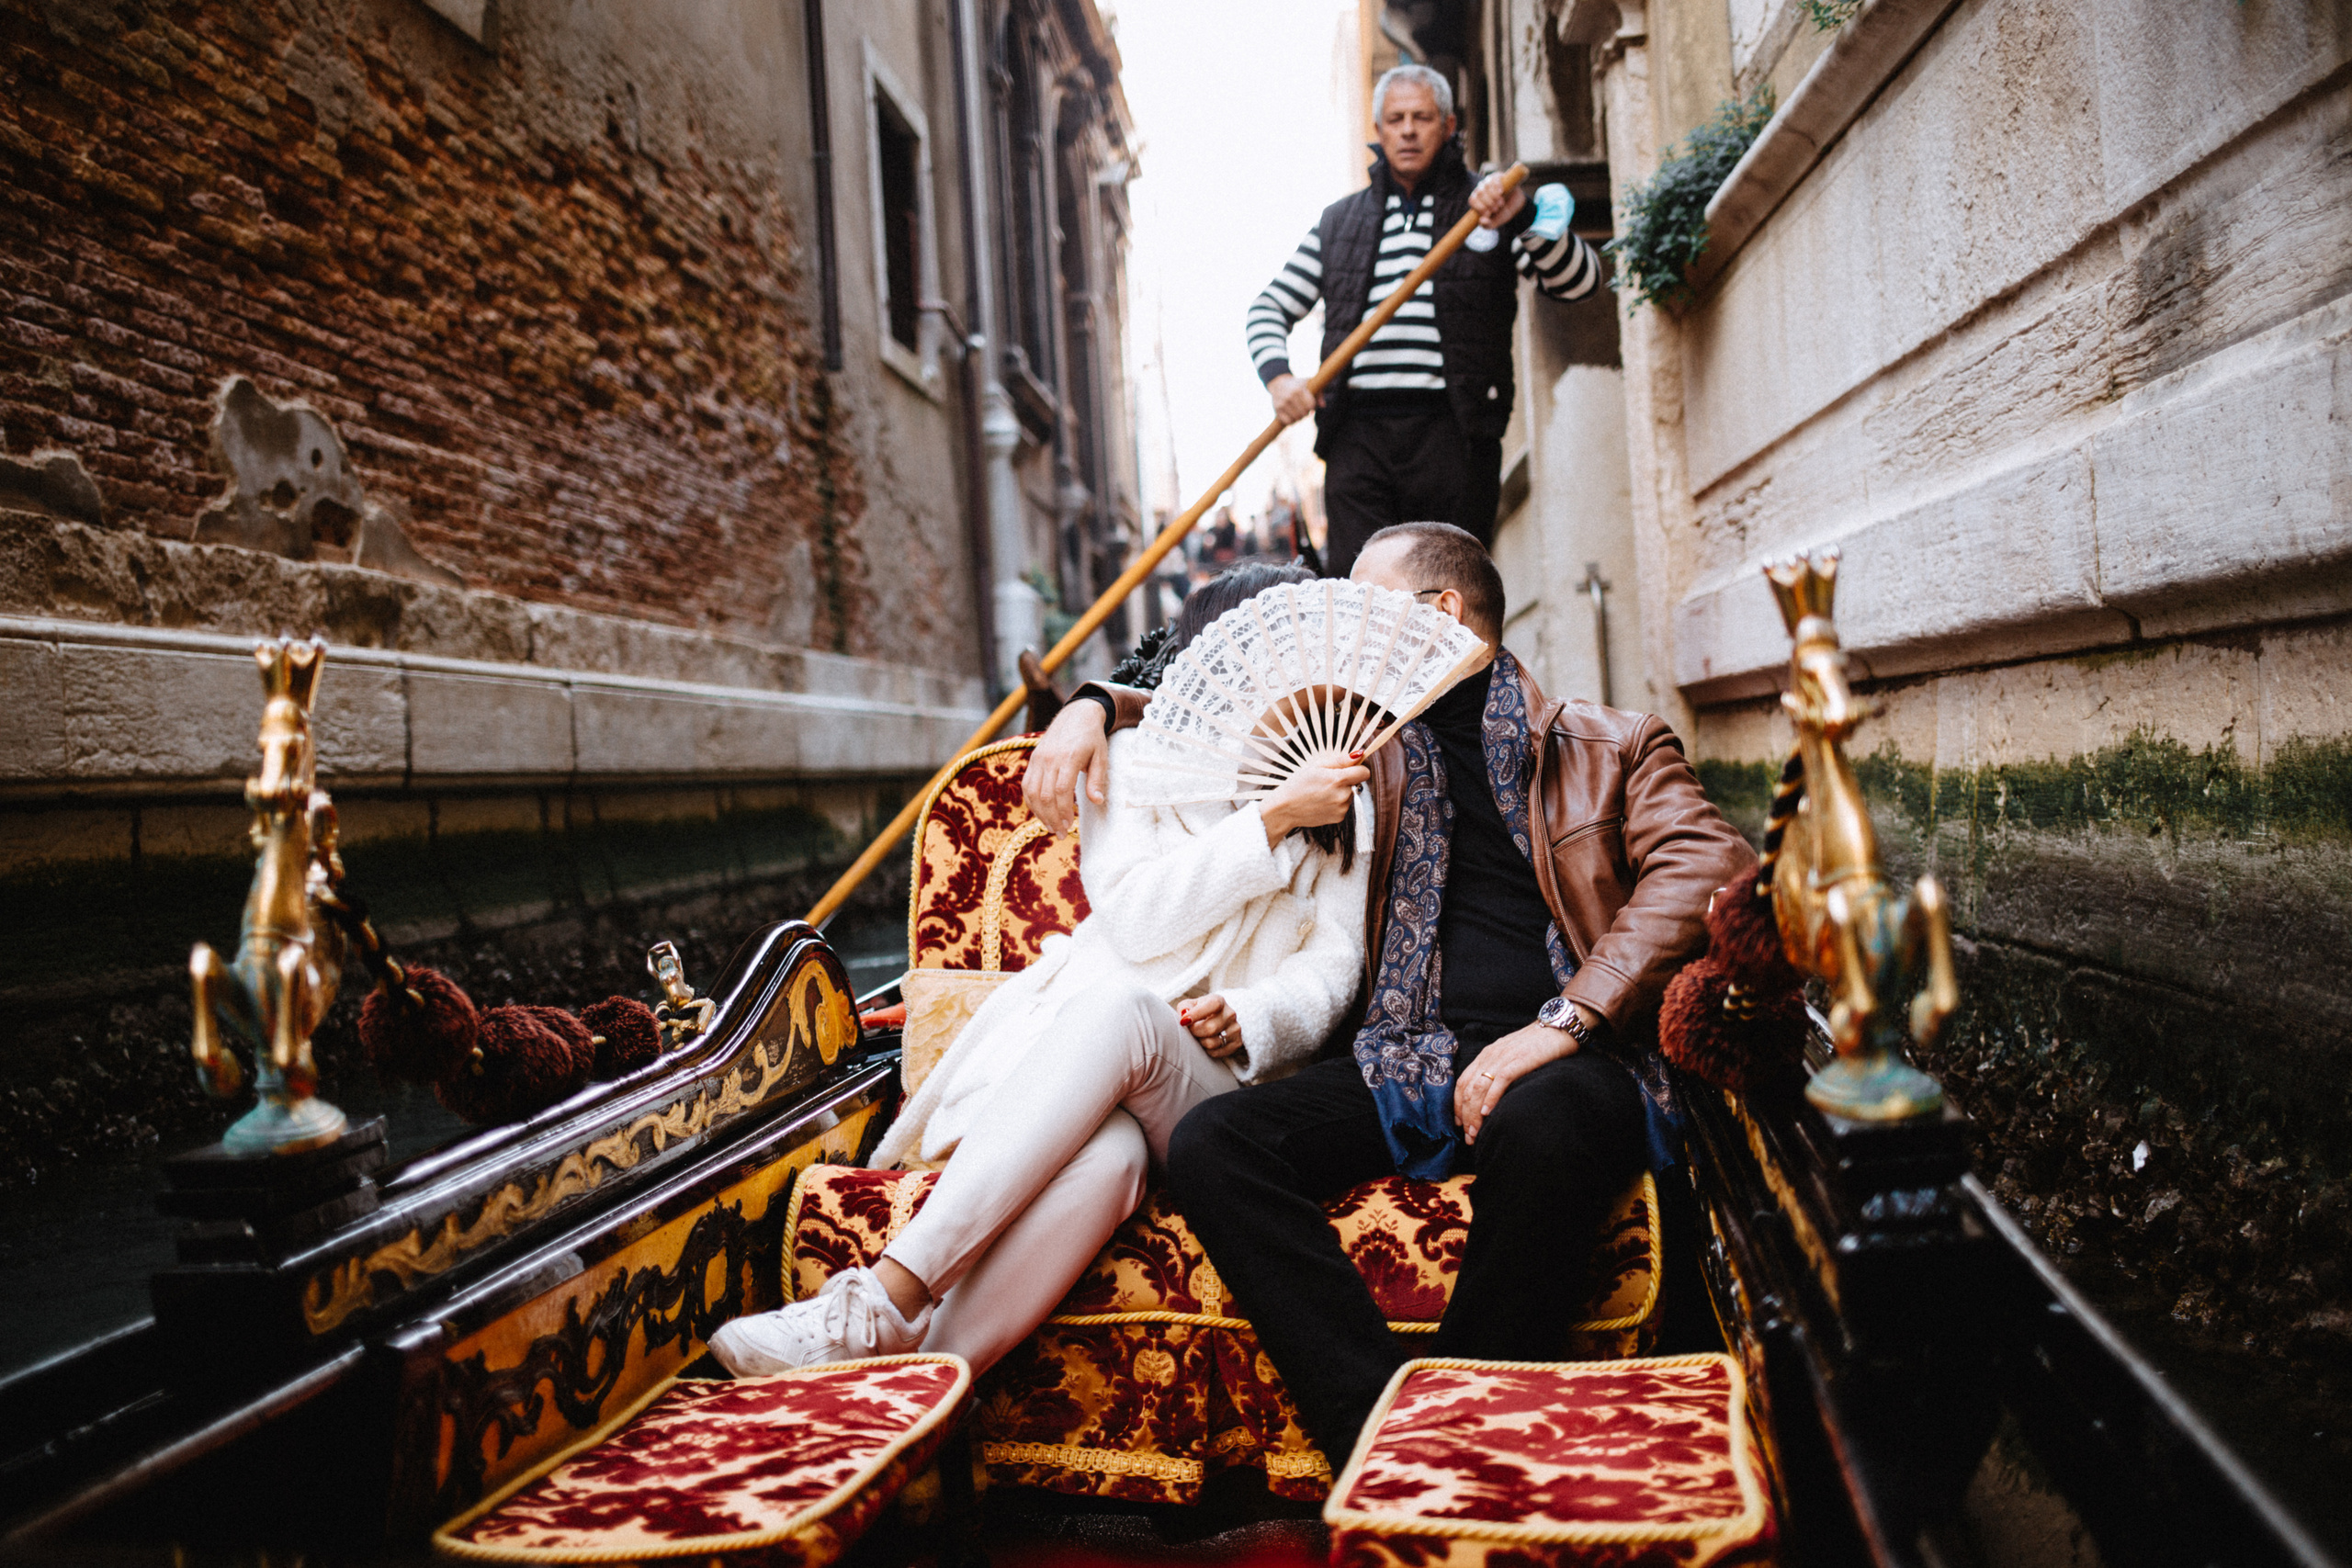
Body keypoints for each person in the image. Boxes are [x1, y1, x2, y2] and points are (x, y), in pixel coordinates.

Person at [1023, 522, 1754, 1461]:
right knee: (1215, 1143)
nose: (1338, 636)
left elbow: (1708, 865)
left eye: (1361, 609)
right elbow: (1202, 709)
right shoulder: (1359, 752)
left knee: (1542, 1123)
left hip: (1569, 1052)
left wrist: (1562, 1022)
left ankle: (1467, 1425)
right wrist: (1090, 702)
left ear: (1439, 614)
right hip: (1404, 1055)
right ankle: (1383, 1437)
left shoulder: (1609, 744)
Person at [709, 563, 1373, 1378]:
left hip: (1216, 1097)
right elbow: (1137, 917)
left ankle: (880, 1297)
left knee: (1129, 1019)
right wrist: (1270, 824)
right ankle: (923, 1384)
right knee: (1115, 1157)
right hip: (1083, 1068)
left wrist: (1260, 1015)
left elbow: (1335, 968)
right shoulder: (1129, 760)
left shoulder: (1349, 791)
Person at [1248, 64, 1605, 580]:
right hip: (1357, 436)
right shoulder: (1337, 223)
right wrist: (1279, 377)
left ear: (1449, 125)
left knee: (1449, 596)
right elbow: (1268, 309)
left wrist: (1524, 219)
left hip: (1455, 432)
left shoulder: (1491, 205)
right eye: (1396, 119)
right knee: (1357, 600)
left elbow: (1580, 284)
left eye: (1422, 117)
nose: (1408, 130)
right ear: (1379, 130)